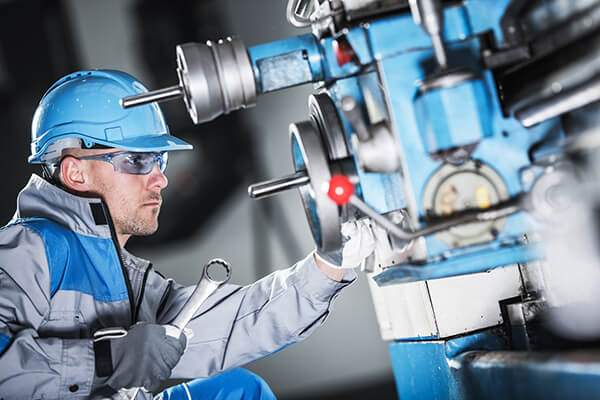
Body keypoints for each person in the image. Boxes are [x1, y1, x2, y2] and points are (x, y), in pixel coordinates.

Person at [0, 70, 375, 399]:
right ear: (76, 172)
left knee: (239, 392)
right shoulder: (26, 251)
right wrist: (104, 362)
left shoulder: (134, 283)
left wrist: (328, 264)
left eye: (159, 160)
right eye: (137, 161)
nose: (161, 178)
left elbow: (237, 323)